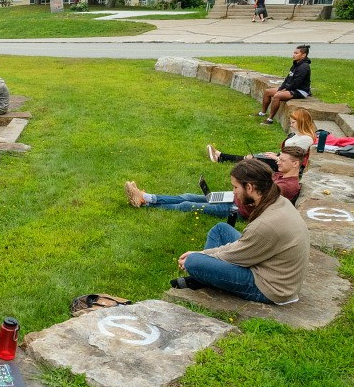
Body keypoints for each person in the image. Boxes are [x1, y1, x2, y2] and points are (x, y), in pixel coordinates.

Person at [174, 159, 309, 304]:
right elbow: (241, 246)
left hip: (271, 287)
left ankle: (203, 277)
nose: (233, 192)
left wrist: (199, 256)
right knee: (221, 229)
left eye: (235, 187)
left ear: (249, 187)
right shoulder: (278, 200)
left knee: (193, 262)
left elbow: (232, 256)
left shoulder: (264, 226)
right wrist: (203, 254)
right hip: (271, 266)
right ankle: (204, 277)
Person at [125, 146, 305, 219]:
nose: (278, 162)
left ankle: (145, 202)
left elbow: (257, 200)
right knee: (188, 196)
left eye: (282, 160)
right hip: (235, 200)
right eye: (279, 158)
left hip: (239, 210)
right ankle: (146, 197)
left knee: (187, 205)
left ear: (296, 164)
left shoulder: (287, 186)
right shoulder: (281, 175)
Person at [209, 107, 316, 170]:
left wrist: (276, 158)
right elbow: (289, 153)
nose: (291, 125)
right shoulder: (298, 134)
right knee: (256, 156)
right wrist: (277, 155)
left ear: (302, 122)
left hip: (285, 165)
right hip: (281, 160)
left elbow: (293, 160)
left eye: (293, 122)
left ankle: (221, 157)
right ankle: (221, 156)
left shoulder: (305, 139)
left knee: (254, 160)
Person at [258, 45, 312, 125]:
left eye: (296, 53)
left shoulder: (304, 67)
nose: (294, 55)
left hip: (300, 91)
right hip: (291, 88)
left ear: (303, 55)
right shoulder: (296, 64)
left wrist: (285, 90)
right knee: (267, 92)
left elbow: (297, 83)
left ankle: (270, 119)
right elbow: (287, 79)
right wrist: (282, 88)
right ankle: (262, 113)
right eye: (294, 53)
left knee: (277, 96)